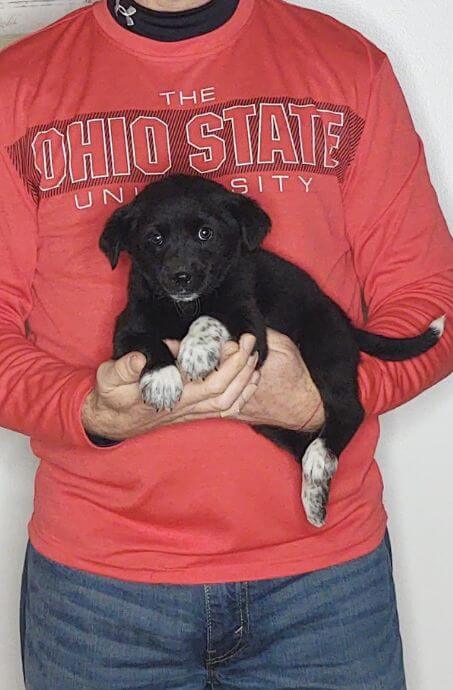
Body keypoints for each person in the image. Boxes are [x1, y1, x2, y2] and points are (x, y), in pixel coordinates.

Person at [1, 0, 451, 687]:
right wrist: (85, 412)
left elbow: (435, 303)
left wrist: (323, 401)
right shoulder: (18, 83)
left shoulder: (344, 65)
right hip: (98, 592)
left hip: (323, 588)